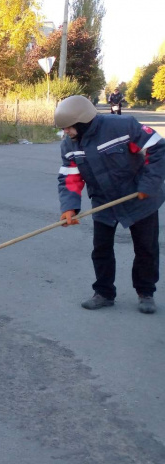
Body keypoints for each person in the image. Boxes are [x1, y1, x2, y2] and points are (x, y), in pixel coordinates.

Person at [55, 95, 165, 314]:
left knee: (146, 248)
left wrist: (148, 185)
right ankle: (104, 293)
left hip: (139, 198)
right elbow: (70, 177)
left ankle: (146, 293)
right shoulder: (69, 145)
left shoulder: (124, 126)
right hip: (103, 202)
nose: (65, 132)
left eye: (68, 127)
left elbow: (158, 149)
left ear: (82, 122)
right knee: (101, 249)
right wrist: (69, 207)